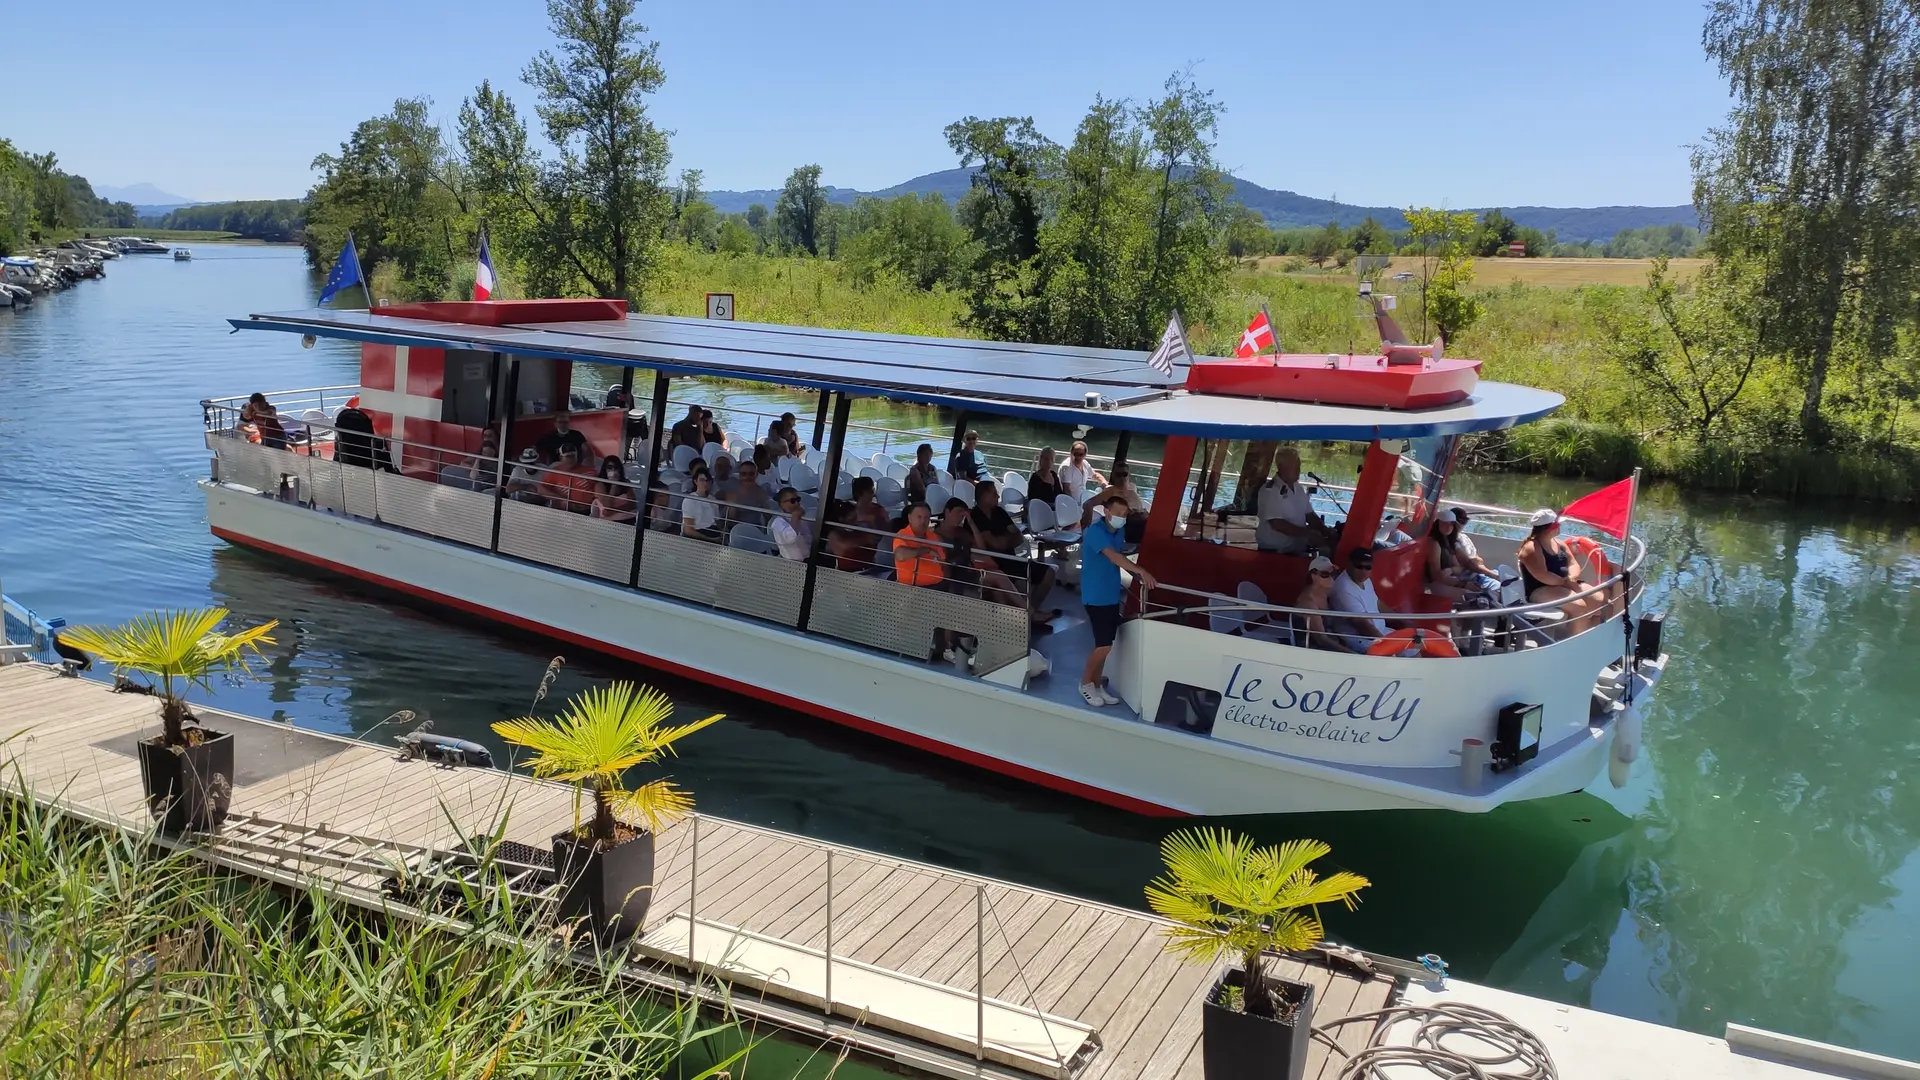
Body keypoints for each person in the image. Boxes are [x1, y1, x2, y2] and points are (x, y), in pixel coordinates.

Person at [1078, 495, 1157, 707]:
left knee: (1105, 643)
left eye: (1125, 515)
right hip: (1096, 596)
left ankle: (1096, 683)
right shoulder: (1095, 532)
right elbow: (1113, 556)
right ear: (1106, 512)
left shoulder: (1119, 531)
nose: (1121, 518)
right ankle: (1085, 682)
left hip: (1111, 593)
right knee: (1104, 645)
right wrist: (1140, 570)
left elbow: (1119, 555)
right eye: (1118, 514)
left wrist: (1135, 574)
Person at [971, 481, 1057, 621]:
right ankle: (1027, 615)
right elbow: (995, 544)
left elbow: (1018, 537)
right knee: (1022, 584)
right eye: (994, 494)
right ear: (983, 495)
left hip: (1013, 558)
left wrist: (1004, 540)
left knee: (1049, 573)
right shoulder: (976, 516)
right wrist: (1007, 538)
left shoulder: (1000, 512)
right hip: (996, 562)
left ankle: (1030, 613)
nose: (998, 496)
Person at [1518, 509, 1604, 633]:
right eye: (1558, 524)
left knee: (1597, 598)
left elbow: (1573, 563)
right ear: (1549, 528)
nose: (1560, 527)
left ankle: (1580, 632)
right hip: (1540, 589)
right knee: (1579, 607)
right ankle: (1574, 643)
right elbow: (1543, 575)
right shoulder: (1531, 548)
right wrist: (1566, 583)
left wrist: (1571, 578)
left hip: (1564, 583)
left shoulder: (1560, 543)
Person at [1255, 448, 1334, 555]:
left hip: (1296, 549)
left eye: (1299, 466)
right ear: (1281, 467)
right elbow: (1277, 524)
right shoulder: (1271, 490)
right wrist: (1307, 533)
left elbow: (1309, 514)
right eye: (1295, 466)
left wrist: (1325, 531)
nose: (1298, 470)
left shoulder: (1298, 488)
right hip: (1274, 552)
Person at [1327, 548, 1390, 652]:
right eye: (1359, 566)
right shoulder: (1344, 588)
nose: (1363, 571)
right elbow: (1361, 624)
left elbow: (1377, 603)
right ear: (1349, 564)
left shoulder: (1367, 581)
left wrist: (1403, 620)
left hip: (1381, 633)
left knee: (1413, 646)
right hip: (1361, 640)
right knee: (1399, 653)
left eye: (1367, 567)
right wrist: (1387, 643)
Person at [1425, 511, 1494, 601]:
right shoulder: (1434, 543)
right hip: (1438, 584)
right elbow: (1437, 576)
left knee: (1492, 589)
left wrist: (1451, 570)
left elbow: (1458, 568)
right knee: (1482, 597)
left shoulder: (1448, 541)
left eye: (1451, 524)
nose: (1449, 527)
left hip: (1452, 579)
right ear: (1437, 524)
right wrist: (1464, 584)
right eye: (1444, 524)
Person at [1081, 466, 1149, 543]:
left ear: (1129, 476)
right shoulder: (1110, 491)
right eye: (1118, 474)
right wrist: (1088, 521)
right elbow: (1088, 503)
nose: (1121, 477)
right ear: (1114, 477)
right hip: (1119, 527)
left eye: (1124, 474)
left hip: (1134, 527)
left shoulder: (1132, 492)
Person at [892, 502, 946, 589]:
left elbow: (943, 561)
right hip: (913, 589)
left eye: (926, 517)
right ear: (910, 518)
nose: (923, 521)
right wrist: (926, 550)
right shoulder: (902, 535)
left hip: (938, 586)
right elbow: (900, 555)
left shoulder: (934, 536)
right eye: (919, 517)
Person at [1292, 555, 1340, 649]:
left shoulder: (1326, 593)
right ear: (1313, 575)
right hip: (1312, 650)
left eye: (1333, 573)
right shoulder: (1308, 602)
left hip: (1331, 645)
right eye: (1325, 574)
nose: (1331, 578)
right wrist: (1351, 653)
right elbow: (1321, 639)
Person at [543, 444, 598, 512]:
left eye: (573, 456)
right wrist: (563, 499)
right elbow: (541, 489)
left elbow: (598, 489)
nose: (571, 459)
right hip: (566, 510)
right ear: (561, 458)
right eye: (568, 456)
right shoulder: (555, 472)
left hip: (589, 510)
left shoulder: (589, 471)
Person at [726, 458, 777, 527]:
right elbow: (730, 519)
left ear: (756, 475)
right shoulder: (732, 490)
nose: (747, 477)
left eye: (751, 474)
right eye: (744, 474)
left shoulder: (760, 492)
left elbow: (767, 516)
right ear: (739, 475)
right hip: (737, 530)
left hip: (756, 529)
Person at [769, 487, 814, 560]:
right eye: (792, 501)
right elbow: (790, 538)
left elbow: (808, 537)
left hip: (807, 558)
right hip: (791, 562)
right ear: (781, 504)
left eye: (798, 500)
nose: (796, 503)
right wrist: (795, 517)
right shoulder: (777, 523)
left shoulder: (801, 519)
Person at [590, 456, 637, 522]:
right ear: (605, 469)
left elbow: (633, 504)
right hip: (609, 521)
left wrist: (614, 511)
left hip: (628, 518)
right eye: (609, 467)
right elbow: (607, 505)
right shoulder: (600, 484)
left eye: (616, 467)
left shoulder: (626, 482)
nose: (613, 470)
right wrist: (614, 485)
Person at [680, 470, 723, 540]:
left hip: (712, 530)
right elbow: (688, 530)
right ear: (695, 481)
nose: (705, 483)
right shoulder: (690, 500)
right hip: (697, 533)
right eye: (702, 480)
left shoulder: (713, 499)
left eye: (707, 480)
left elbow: (718, 522)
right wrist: (710, 539)